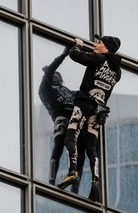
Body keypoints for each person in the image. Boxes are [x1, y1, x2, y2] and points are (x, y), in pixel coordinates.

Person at [57, 34, 122, 201]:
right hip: (99, 111)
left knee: (71, 136)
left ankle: (72, 172)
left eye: (99, 42)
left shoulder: (98, 59)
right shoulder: (117, 71)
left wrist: (77, 45)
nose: (95, 44)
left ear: (106, 48)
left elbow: (75, 56)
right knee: (91, 147)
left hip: (84, 104)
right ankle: (95, 181)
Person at [38, 46, 85, 193]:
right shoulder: (46, 89)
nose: (57, 76)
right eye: (54, 75)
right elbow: (51, 70)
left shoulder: (68, 91)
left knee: (80, 152)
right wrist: (63, 55)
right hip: (62, 118)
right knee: (58, 146)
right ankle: (51, 181)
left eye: (59, 75)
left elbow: (84, 96)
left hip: (75, 120)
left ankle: (75, 187)